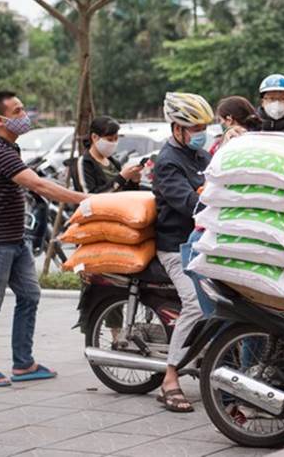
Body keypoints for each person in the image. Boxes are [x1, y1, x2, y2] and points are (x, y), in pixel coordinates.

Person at [0, 91, 88, 387]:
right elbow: (38, 185)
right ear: (1, 119)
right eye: (18, 110)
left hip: (14, 239)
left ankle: (23, 363)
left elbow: (36, 182)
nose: (25, 115)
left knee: (30, 296)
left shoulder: (12, 148)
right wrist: (85, 199)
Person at [154, 91, 213, 412]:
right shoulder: (167, 163)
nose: (201, 133)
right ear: (177, 129)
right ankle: (170, 378)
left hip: (202, 244)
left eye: (204, 126)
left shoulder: (202, 157)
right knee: (194, 304)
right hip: (176, 247)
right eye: (195, 128)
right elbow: (191, 204)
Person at [76, 116, 143, 194]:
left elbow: (125, 194)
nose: (113, 143)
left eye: (116, 139)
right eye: (109, 139)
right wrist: (121, 178)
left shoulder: (114, 162)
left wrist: (134, 181)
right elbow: (90, 196)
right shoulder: (85, 163)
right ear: (94, 137)